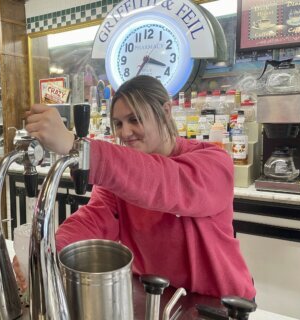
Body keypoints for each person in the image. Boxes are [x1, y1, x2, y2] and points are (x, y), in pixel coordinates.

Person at [21, 75, 256, 300]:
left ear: (165, 111)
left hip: (218, 302)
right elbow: (93, 219)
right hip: (154, 294)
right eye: (118, 123)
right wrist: (47, 252)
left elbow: (163, 181)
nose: (125, 132)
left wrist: (77, 147)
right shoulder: (121, 178)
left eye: (135, 119)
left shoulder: (213, 161)